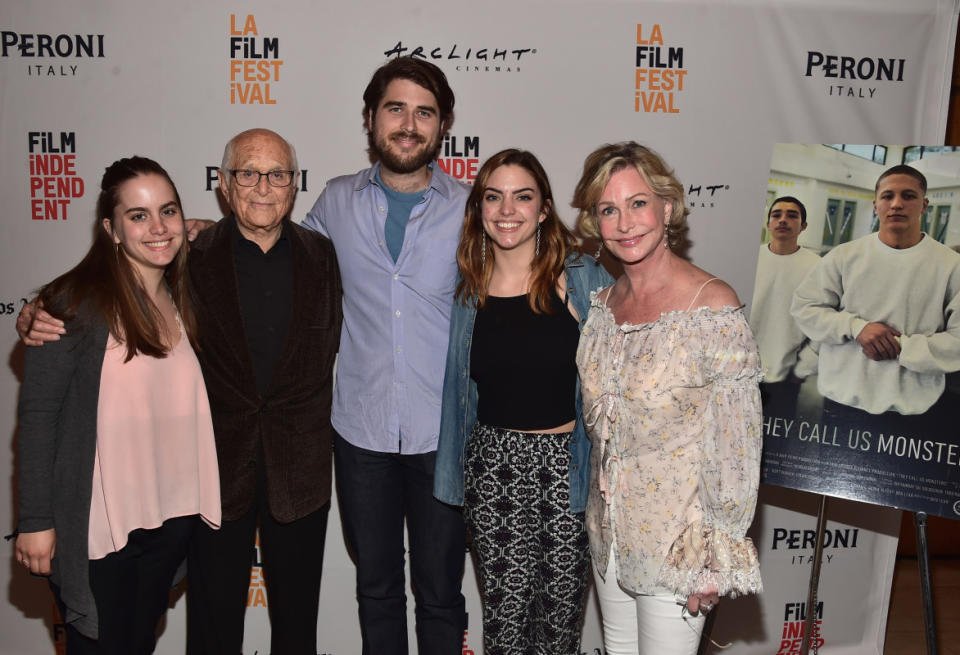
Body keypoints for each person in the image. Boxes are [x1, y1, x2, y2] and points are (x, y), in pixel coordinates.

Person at [19, 129, 343, 655]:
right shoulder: (192, 258)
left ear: (294, 184)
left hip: (298, 475)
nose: (263, 187)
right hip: (212, 476)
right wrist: (36, 313)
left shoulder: (322, 257)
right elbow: (90, 309)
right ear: (222, 184)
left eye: (278, 174)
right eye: (247, 173)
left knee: (297, 630)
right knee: (210, 632)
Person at [14, 156, 221, 654]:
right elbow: (38, 420)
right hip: (100, 531)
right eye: (138, 215)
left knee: (137, 645)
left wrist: (211, 227)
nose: (157, 228)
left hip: (170, 522)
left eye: (168, 211)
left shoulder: (184, 295)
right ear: (110, 228)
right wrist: (36, 521)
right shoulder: (72, 304)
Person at [302, 57, 467, 655]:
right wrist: (196, 235)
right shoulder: (334, 202)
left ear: (442, 125)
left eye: (424, 112)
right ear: (371, 119)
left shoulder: (475, 209)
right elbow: (272, 259)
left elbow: (544, 267)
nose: (408, 124)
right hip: (360, 434)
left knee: (441, 592)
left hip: (443, 435)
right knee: (375, 589)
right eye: (395, 109)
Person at [571, 142, 763, 655]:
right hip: (608, 536)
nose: (625, 222)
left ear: (668, 208)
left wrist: (716, 551)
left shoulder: (712, 306)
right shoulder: (603, 306)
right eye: (608, 209)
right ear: (595, 221)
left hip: (680, 543)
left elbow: (736, 447)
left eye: (638, 203)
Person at [433, 149, 613, 654]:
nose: (507, 210)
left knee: (558, 629)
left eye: (522, 196)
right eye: (494, 196)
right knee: (506, 627)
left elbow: (626, 378)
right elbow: (458, 393)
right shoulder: (468, 288)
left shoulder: (583, 278)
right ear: (479, 209)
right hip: (493, 469)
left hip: (568, 469)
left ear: (544, 208)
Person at [791, 165, 960, 432]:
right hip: (842, 402)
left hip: (915, 410)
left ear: (924, 204)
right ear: (875, 205)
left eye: (908, 196)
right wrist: (856, 328)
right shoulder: (844, 256)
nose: (897, 204)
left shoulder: (951, 265)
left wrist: (899, 346)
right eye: (887, 196)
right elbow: (806, 307)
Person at [749, 196, 820, 417]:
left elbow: (822, 323)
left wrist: (802, 369)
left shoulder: (817, 267)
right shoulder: (750, 258)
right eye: (776, 215)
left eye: (792, 215)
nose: (783, 220)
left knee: (775, 439)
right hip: (741, 369)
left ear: (804, 225)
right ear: (768, 223)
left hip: (786, 373)